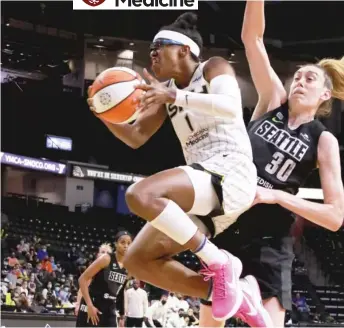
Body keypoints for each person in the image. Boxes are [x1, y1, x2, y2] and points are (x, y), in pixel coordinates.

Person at [88, 12, 257, 322]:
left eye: (160, 47)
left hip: (231, 170)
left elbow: (232, 107)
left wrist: (175, 95)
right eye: (150, 49)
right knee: (137, 261)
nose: (152, 54)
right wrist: (103, 112)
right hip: (206, 189)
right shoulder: (166, 92)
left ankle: (218, 262)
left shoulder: (213, 67)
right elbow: (136, 136)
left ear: (184, 50)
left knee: (140, 195)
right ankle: (235, 292)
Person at [76, 231, 132, 327]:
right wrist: (89, 305)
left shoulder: (129, 267)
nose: (126, 246)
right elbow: (82, 279)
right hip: (93, 305)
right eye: (122, 242)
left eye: (129, 243)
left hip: (109, 308)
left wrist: (122, 316)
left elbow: (121, 291)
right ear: (115, 244)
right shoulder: (106, 259)